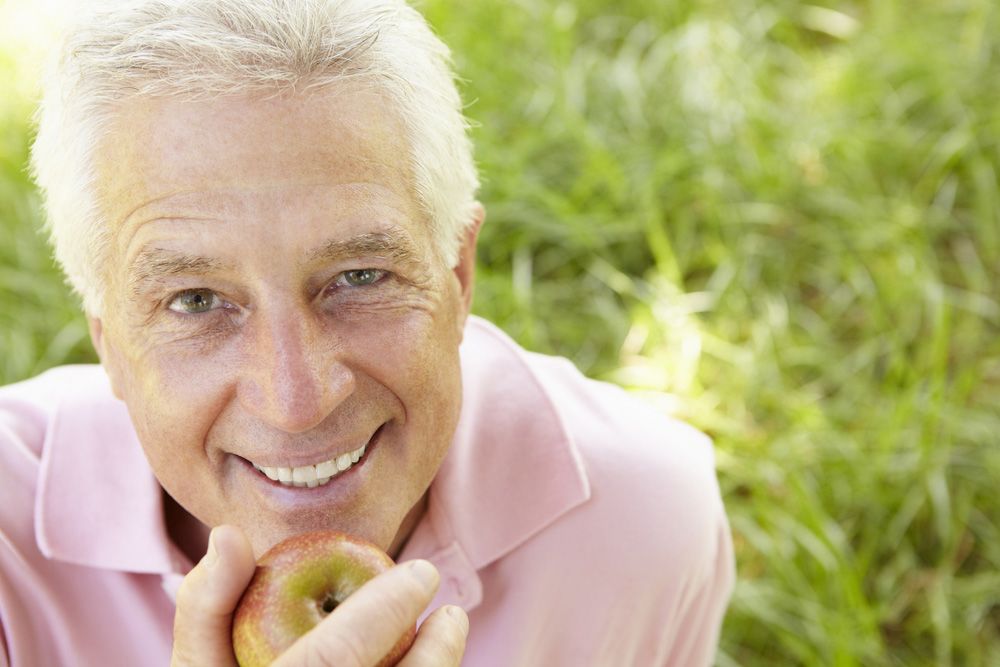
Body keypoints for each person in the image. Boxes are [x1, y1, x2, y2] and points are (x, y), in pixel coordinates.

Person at [0, 0, 735, 664]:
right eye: (195, 300)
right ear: (109, 343)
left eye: (359, 277)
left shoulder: (643, 520)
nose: (297, 399)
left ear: (456, 278)